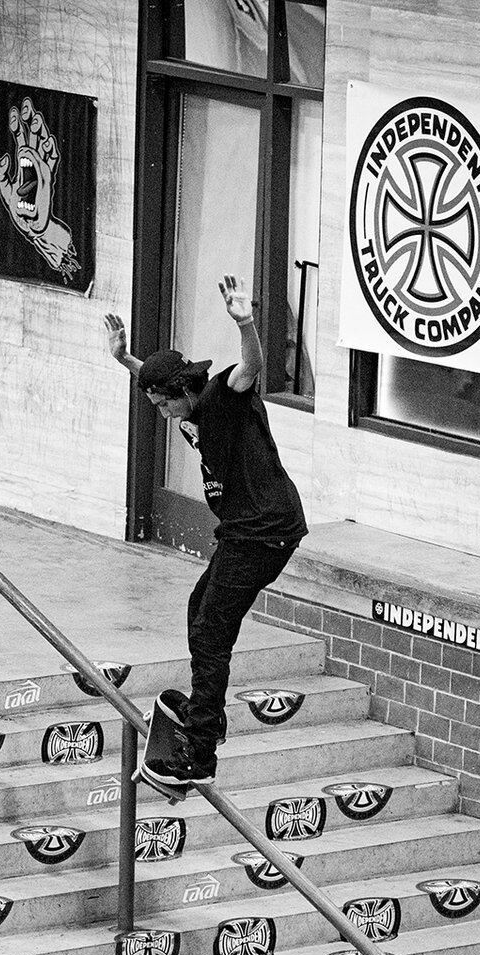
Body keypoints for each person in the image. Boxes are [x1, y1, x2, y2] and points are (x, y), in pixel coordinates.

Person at [104, 274, 308, 787]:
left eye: (165, 404)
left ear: (184, 391)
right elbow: (161, 379)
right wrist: (128, 361)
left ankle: (199, 753)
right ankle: (207, 718)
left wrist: (246, 323)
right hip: (244, 531)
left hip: (265, 531)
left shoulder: (221, 397)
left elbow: (251, 367)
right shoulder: (182, 397)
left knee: (214, 628)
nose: (164, 413)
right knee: (200, 609)